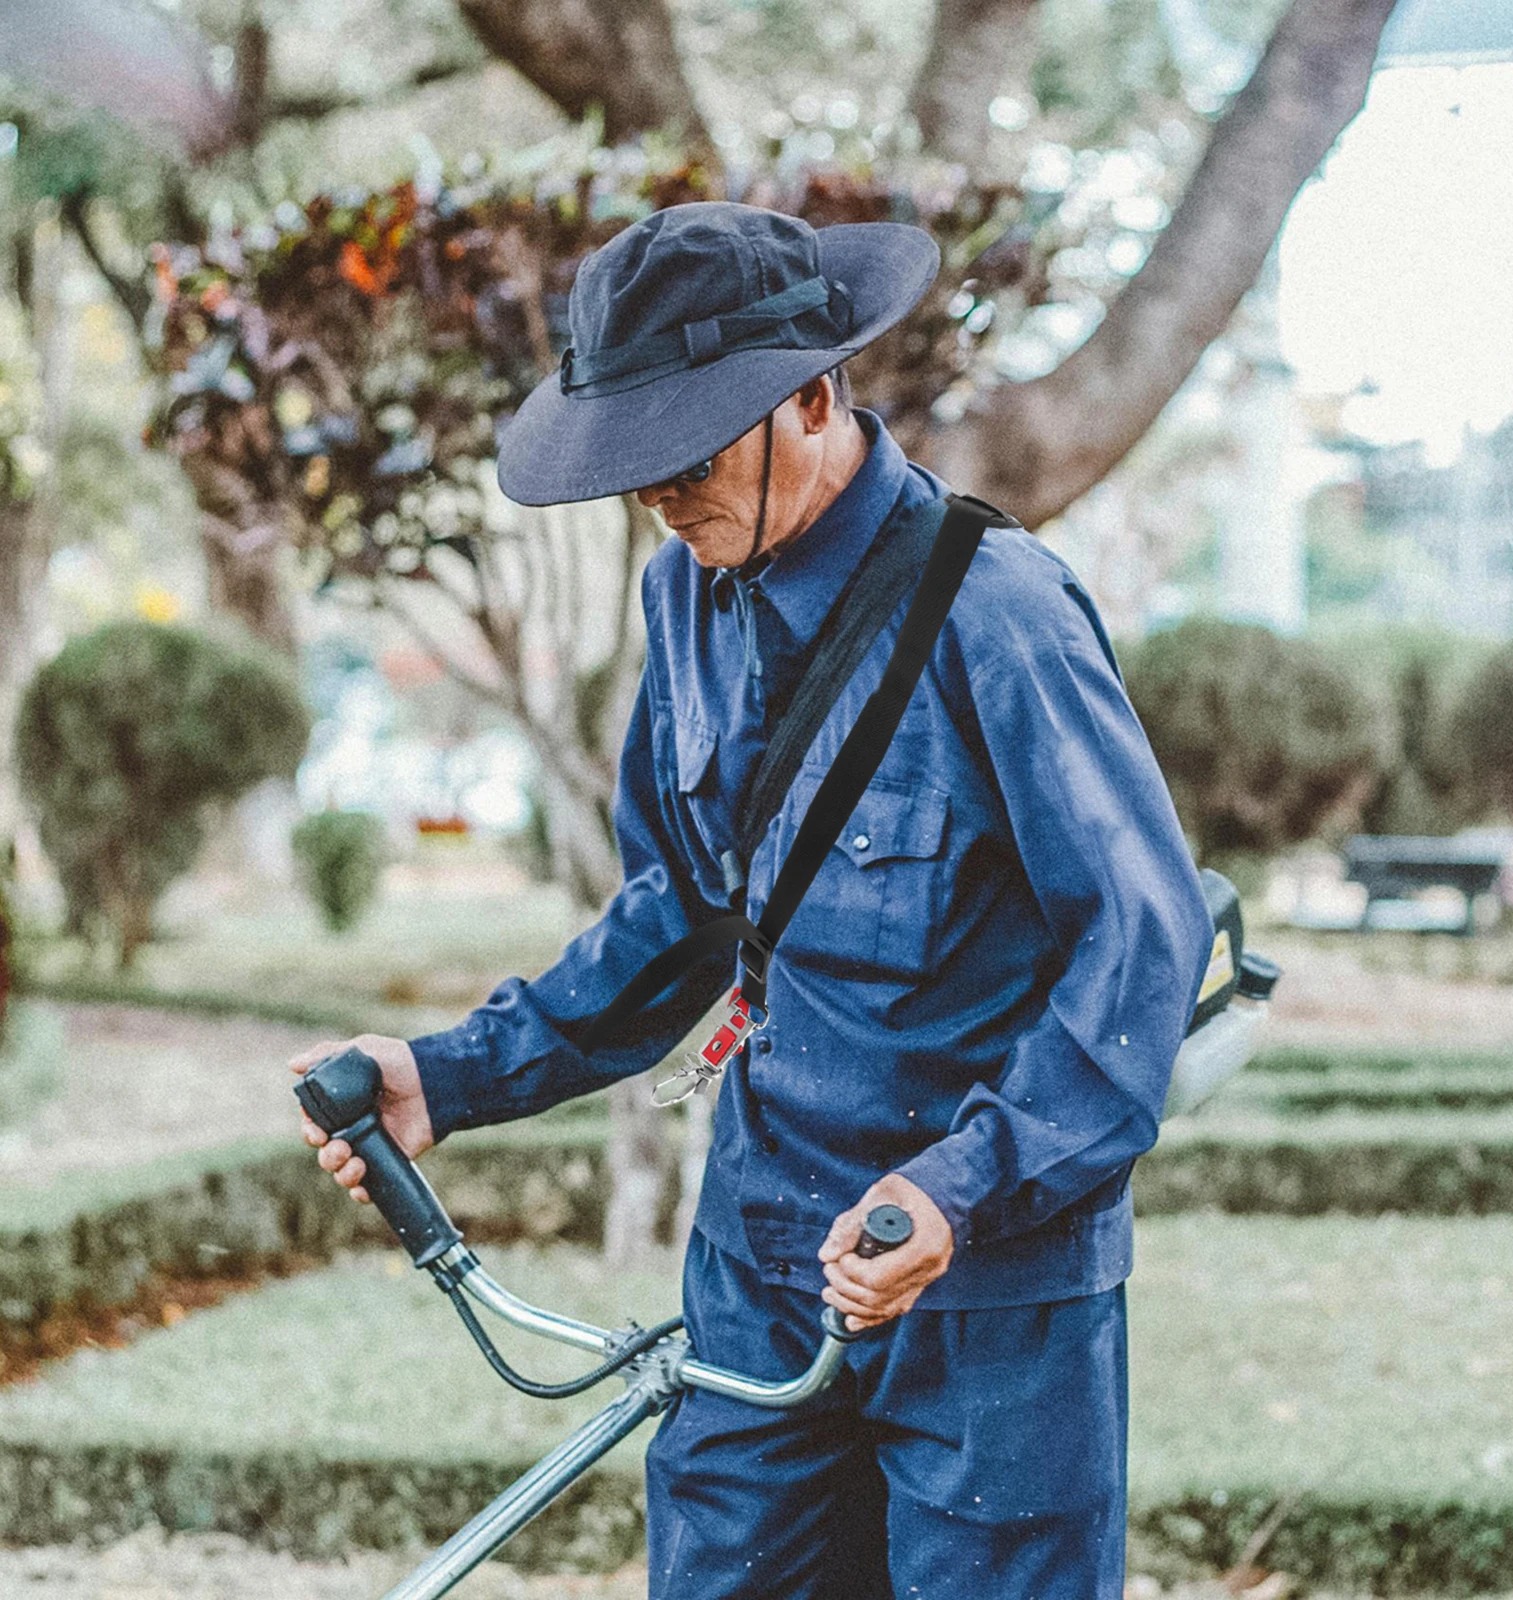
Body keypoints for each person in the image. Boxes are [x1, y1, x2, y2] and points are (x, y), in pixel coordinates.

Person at [292, 201, 1215, 1599]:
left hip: (988, 1292)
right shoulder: (685, 603)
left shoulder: (1000, 614)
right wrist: (449, 1077)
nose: (658, 491)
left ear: (817, 394)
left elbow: (1141, 948)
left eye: (690, 445)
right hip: (763, 1253)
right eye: (634, 460)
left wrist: (961, 1188)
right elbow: (681, 917)